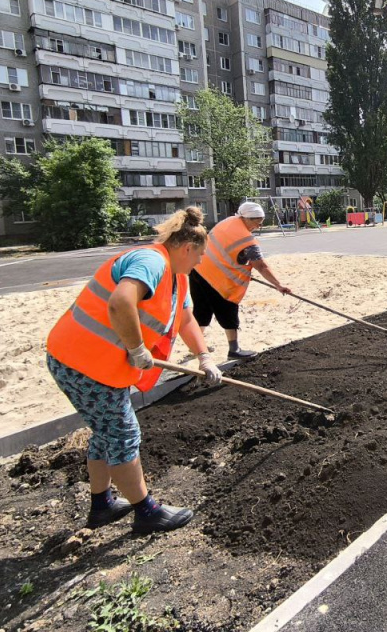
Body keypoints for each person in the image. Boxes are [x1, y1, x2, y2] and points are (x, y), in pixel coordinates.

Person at [46, 207, 222, 534]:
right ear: (186, 249)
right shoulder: (152, 262)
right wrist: (137, 348)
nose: (201, 262)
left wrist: (204, 357)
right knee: (124, 434)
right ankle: (146, 511)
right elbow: (120, 302)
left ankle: (101, 506)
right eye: (200, 255)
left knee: (106, 431)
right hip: (82, 363)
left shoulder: (178, 278)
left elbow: (185, 320)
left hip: (98, 366)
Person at [190, 201, 291, 359]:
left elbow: (224, 249)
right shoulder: (246, 240)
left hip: (198, 269)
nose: (258, 227)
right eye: (257, 223)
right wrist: (279, 285)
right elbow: (261, 266)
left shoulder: (226, 222)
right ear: (247, 218)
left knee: (202, 309)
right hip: (218, 280)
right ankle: (234, 350)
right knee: (228, 310)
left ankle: (195, 345)